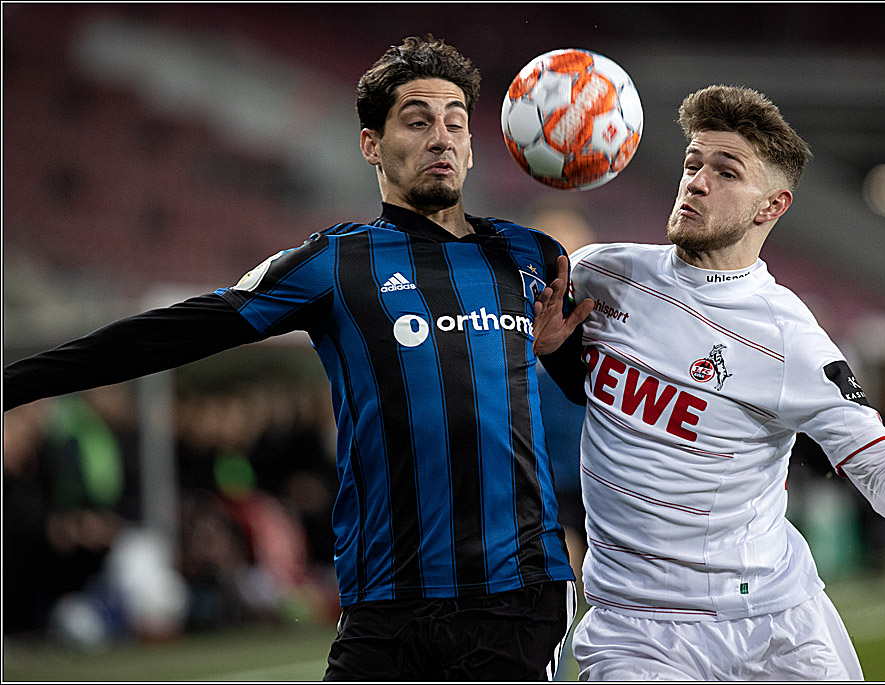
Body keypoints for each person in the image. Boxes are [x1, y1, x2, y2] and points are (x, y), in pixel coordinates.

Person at [3, 35, 594, 681]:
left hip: (517, 589)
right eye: (418, 121)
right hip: (387, 592)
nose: (442, 138)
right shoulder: (333, 263)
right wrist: (16, 382)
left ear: (474, 144)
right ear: (371, 144)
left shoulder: (530, 257)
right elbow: (175, 331)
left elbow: (593, 391)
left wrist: (559, 357)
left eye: (456, 122)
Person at [533, 84, 885, 681]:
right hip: (634, 626)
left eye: (725, 171)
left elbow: (873, 458)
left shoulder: (791, 340)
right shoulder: (602, 275)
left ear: (771, 206)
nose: (697, 181)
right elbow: (587, 389)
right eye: (692, 164)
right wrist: (554, 354)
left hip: (775, 623)